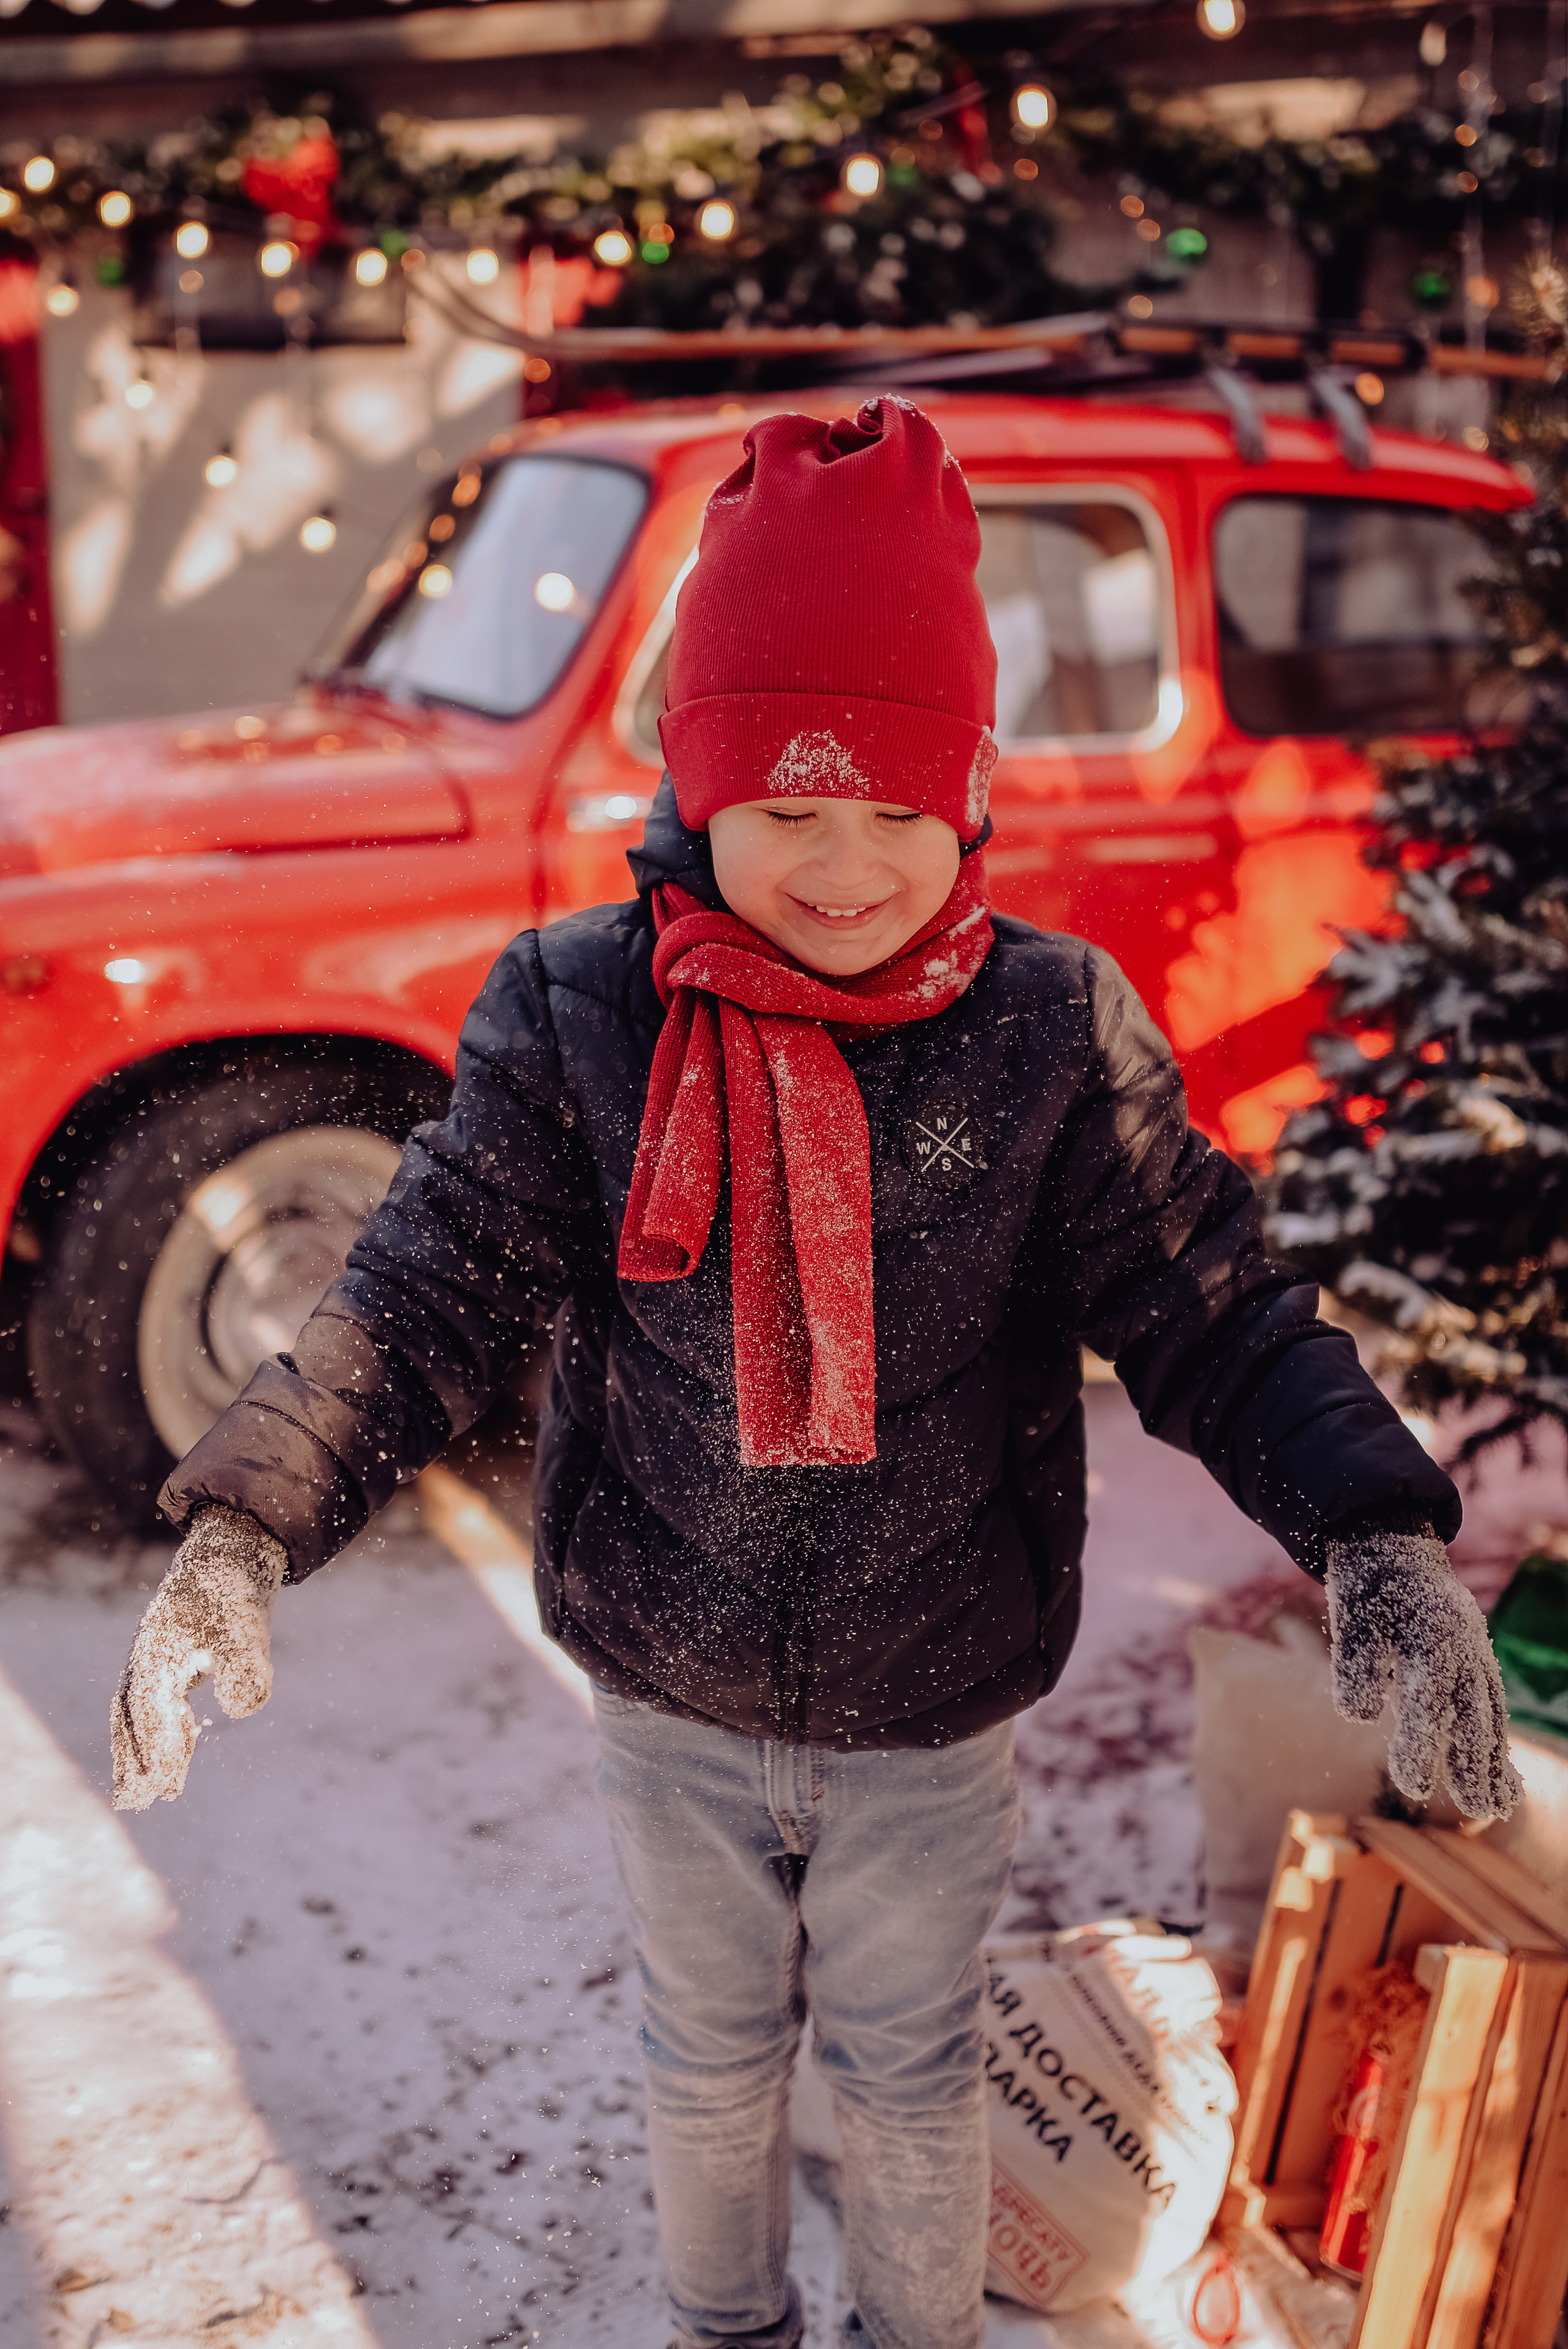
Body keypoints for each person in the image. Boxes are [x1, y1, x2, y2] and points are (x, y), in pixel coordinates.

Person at [111, 399, 1521, 2349]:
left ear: (972, 796)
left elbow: (1214, 1303)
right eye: (789, 810)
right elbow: (417, 1292)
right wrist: (246, 1527)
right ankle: (729, 2331)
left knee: (909, 2069)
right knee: (704, 2059)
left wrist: (1375, 1524)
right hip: (669, 1679)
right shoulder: (582, 1010)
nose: (846, 867)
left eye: (895, 809)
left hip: (935, 1693)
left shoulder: (1045, 1030)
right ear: (700, 796)